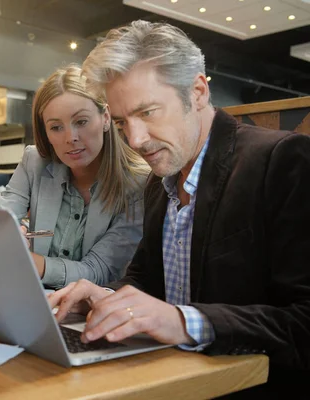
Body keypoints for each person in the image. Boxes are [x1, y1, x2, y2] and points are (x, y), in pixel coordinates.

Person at [48, 20, 310, 397]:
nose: (135, 139)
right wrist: (105, 296)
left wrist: (185, 322)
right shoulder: (160, 180)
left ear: (198, 91)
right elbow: (146, 280)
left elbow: (304, 321)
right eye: (121, 123)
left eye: (148, 112)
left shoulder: (280, 160)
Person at [0, 65, 150, 289]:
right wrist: (7, 236)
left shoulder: (139, 184)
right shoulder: (34, 161)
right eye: (56, 127)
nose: (71, 138)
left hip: (93, 312)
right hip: (34, 302)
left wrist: (33, 263)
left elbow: (99, 270)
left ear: (105, 118)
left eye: (81, 122)